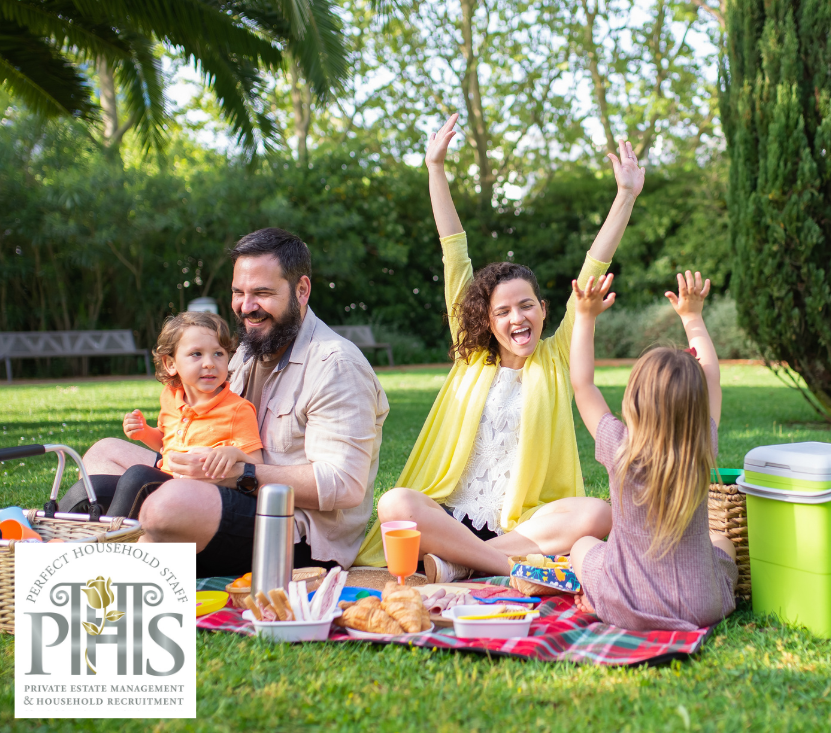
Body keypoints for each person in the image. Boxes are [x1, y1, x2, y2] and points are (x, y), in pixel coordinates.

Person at [357, 112, 645, 581]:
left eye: (526, 306)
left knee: (598, 514)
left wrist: (626, 196)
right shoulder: (471, 355)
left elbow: (594, 266)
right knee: (395, 503)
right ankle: (506, 567)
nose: (517, 318)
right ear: (487, 322)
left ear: (544, 310)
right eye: (504, 311)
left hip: (522, 525)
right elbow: (454, 250)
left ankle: (456, 565)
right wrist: (435, 169)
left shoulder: (555, 358)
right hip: (450, 515)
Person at [71, 228, 389, 576]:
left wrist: (241, 474)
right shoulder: (250, 350)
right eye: (239, 292)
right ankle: (75, 549)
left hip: (295, 533)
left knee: (166, 506)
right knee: (102, 455)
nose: (247, 307)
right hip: (222, 487)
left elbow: (344, 486)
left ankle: (104, 566)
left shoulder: (336, 364)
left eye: (262, 293)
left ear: (301, 290)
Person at [567, 270, 737, 631]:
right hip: (700, 606)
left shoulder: (619, 446)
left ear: (634, 400)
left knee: (582, 546)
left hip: (625, 603)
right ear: (697, 406)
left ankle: (592, 596)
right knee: (722, 540)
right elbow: (712, 378)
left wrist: (585, 317)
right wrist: (692, 317)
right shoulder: (701, 443)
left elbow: (583, 386)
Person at [64, 312, 265, 520]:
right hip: (167, 480)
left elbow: (257, 464)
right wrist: (145, 433)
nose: (209, 363)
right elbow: (166, 442)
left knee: (138, 476)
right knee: (92, 487)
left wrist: (234, 454)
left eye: (218, 353)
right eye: (196, 354)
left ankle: (111, 542)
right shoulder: (171, 396)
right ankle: (51, 537)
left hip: (202, 496)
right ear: (170, 364)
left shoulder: (238, 409)